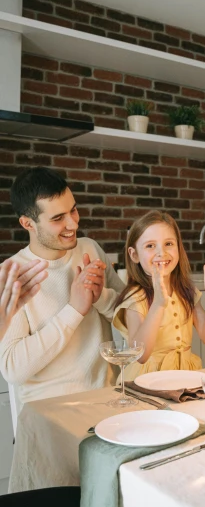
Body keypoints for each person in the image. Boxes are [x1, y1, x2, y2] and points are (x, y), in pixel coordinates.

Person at [0, 258, 124, 507]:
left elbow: (120, 307)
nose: (71, 224)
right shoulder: (21, 277)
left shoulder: (86, 252)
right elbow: (14, 369)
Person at [0, 167, 124, 405]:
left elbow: (128, 317)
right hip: (50, 410)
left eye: (73, 210)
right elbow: (13, 368)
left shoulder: (90, 249)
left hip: (107, 398)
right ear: (28, 224)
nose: (73, 224)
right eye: (58, 218)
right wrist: (74, 310)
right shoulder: (12, 275)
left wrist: (101, 298)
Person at [113, 210, 205, 379]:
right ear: (134, 255)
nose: (162, 253)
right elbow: (140, 355)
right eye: (150, 246)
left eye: (169, 244)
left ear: (178, 247)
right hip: (147, 381)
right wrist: (158, 304)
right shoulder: (135, 297)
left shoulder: (187, 291)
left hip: (184, 376)